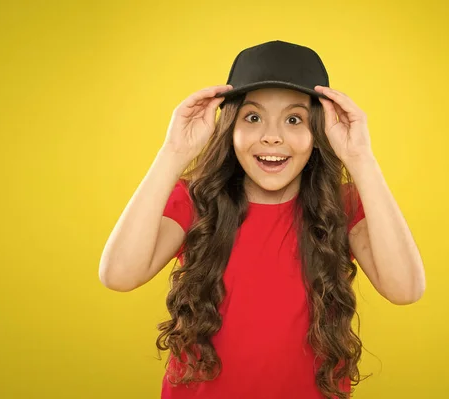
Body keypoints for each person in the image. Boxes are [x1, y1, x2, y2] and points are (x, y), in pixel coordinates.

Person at [99, 40, 426, 399]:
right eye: (253, 117)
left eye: (294, 119)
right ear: (230, 129)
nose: (272, 136)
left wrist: (361, 157)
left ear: (318, 134)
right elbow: (118, 275)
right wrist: (173, 152)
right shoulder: (197, 201)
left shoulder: (343, 206)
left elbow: (406, 289)